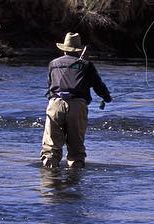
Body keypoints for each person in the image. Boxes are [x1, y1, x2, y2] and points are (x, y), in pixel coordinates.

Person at [40, 32, 112, 168]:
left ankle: (50, 181)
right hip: (77, 105)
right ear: (79, 49)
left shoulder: (53, 64)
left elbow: (49, 86)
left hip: (55, 104)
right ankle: (74, 179)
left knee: (51, 148)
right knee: (76, 149)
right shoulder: (86, 65)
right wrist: (107, 98)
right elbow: (98, 86)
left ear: (63, 49)